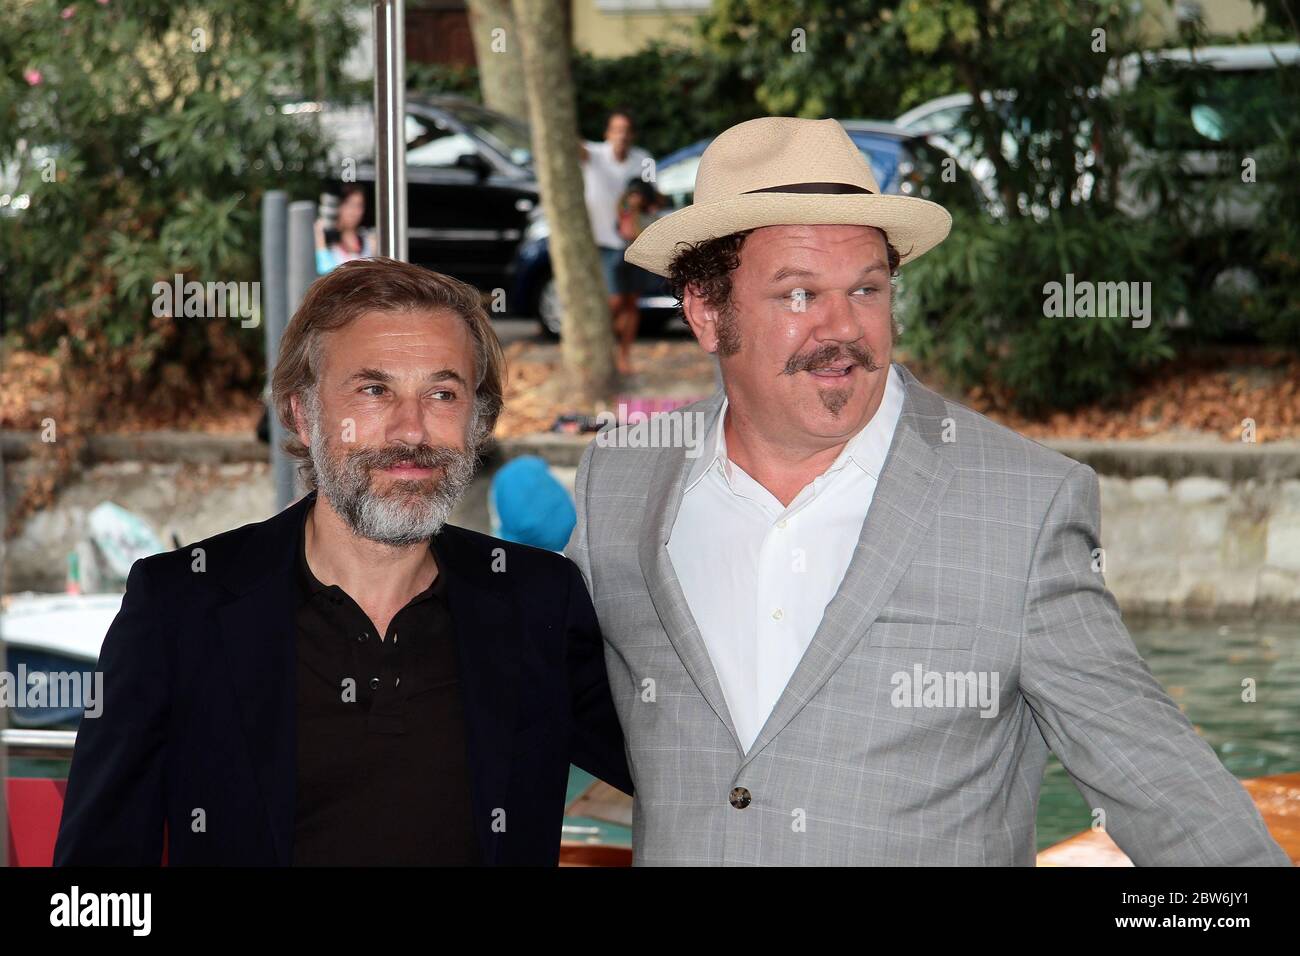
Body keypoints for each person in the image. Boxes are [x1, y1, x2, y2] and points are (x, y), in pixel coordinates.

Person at [568, 116, 1291, 866]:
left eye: (866, 288)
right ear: (706, 313)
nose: (843, 327)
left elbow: (1162, 787)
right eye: (798, 294)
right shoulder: (622, 479)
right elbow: (539, 697)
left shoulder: (1023, 504)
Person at [55, 258, 631, 866]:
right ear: (304, 414)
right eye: (374, 390)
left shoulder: (538, 600)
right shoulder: (182, 607)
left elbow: (688, 765)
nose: (411, 431)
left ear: (478, 421)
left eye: (442, 393)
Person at [579, 109, 653, 376]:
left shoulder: (643, 160)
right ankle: (603, 352)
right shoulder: (594, 155)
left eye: (625, 130)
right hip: (604, 242)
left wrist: (640, 201)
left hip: (634, 243)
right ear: (607, 134)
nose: (621, 135)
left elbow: (654, 198)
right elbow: (574, 145)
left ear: (631, 135)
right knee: (613, 301)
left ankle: (624, 356)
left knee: (632, 302)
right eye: (616, 130)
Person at [314, 183, 373, 275]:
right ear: (338, 205)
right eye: (349, 204)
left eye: (359, 205)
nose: (354, 211)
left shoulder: (369, 242)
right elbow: (324, 271)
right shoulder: (325, 237)